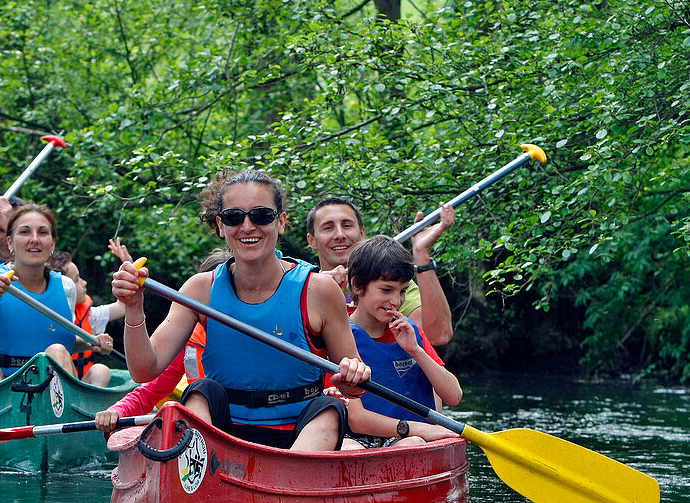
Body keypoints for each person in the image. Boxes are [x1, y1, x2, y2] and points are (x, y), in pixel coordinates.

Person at [112, 169, 371, 452]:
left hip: (300, 435)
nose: (247, 227)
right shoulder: (199, 291)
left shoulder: (319, 290)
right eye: (235, 217)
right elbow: (143, 370)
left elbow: (354, 388)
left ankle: (287, 480)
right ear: (221, 226)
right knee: (199, 392)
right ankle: (203, 471)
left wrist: (353, 374)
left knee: (330, 408)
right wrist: (134, 309)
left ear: (281, 222)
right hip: (224, 436)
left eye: (261, 216)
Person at [0, 203, 114, 389]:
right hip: (2, 388)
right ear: (10, 243)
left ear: (52, 244)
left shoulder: (66, 287)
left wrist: (90, 343)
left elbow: (58, 338)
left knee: (59, 351)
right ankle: (5, 418)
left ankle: (59, 416)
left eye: (43, 232)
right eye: (25, 232)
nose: (34, 239)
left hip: (52, 393)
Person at [336, 236, 462, 449]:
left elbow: (454, 396)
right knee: (351, 448)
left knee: (412, 443)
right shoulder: (339, 336)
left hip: (412, 441)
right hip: (361, 440)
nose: (396, 301)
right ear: (357, 285)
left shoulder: (411, 332)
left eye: (402, 291)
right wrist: (419, 428)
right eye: (386, 290)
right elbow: (356, 419)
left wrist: (415, 350)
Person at [94, 248, 232, 437]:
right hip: (204, 420)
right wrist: (118, 411)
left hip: (248, 425)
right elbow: (149, 391)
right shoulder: (187, 338)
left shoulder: (263, 329)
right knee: (203, 390)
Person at [305, 196, 455, 346]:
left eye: (347, 225)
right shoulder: (303, 288)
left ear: (362, 233)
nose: (339, 235)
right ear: (312, 240)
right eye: (328, 228)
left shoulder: (393, 282)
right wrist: (315, 290)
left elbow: (439, 336)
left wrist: (422, 254)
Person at [50, 249, 126, 384]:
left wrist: (128, 267)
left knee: (100, 370)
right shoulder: (47, 316)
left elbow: (123, 307)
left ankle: (93, 405)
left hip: (83, 387)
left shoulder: (91, 315)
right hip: (56, 385)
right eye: (77, 279)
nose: (84, 282)